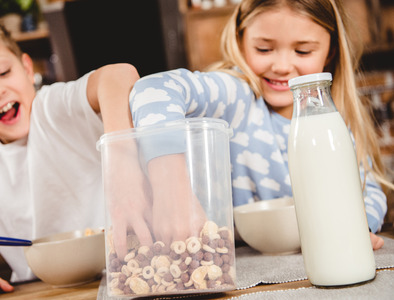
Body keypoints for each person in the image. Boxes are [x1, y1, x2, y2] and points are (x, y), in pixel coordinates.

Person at [127, 0, 392, 251]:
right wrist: (170, 181)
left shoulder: (333, 121)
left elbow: (369, 191)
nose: (281, 66)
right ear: (240, 40)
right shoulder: (236, 95)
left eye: (302, 51)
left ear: (330, 51)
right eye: (264, 49)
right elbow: (152, 89)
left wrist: (358, 228)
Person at [0, 2, 139, 300]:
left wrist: (123, 160)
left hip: (119, 274)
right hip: (41, 290)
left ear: (25, 69)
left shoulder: (54, 108)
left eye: (3, 72)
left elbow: (119, 75)